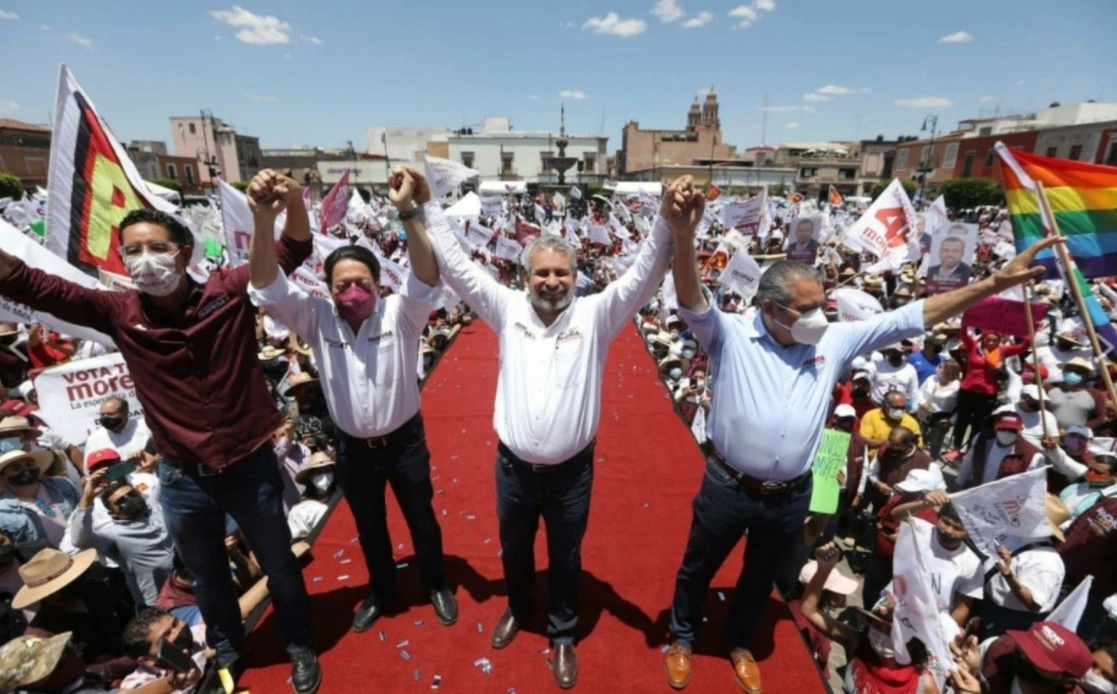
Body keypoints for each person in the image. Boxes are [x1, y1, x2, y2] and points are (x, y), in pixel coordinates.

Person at [662, 185, 1059, 693]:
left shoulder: (833, 339)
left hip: (789, 495)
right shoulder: (730, 334)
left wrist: (993, 282)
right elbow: (693, 296)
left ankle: (739, 641)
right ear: (769, 308)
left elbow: (913, 316)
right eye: (805, 309)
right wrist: (682, 231)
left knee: (761, 578)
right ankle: (682, 636)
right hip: (728, 486)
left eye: (820, 305)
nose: (818, 318)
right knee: (698, 567)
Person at [0, 169, 321, 693]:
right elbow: (30, 283)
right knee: (208, 578)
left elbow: (292, 250)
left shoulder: (230, 290)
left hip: (249, 466)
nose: (143, 260)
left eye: (156, 248)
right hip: (182, 480)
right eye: (131, 252)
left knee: (280, 563)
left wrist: (289, 203)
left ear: (185, 251)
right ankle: (227, 651)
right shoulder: (117, 312)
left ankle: (299, 641)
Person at [427, 172, 682, 689]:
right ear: (525, 278)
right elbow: (455, 266)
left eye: (561, 273)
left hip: (571, 474)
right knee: (514, 548)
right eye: (541, 273)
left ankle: (562, 632)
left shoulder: (597, 316)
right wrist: (423, 209)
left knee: (566, 556)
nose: (551, 281)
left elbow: (644, 275)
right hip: (513, 469)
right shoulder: (505, 309)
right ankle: (520, 609)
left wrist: (667, 219)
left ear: (575, 275)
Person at [250, 165, 456, 635]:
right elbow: (266, 285)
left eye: (362, 282)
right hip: (352, 449)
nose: (353, 292)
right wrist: (265, 221)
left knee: (422, 520)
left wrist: (407, 211)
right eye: (341, 285)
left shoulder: (402, 314)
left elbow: (426, 274)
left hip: (405, 444)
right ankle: (383, 592)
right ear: (326, 288)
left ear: (379, 282)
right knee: (371, 527)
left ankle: (437, 583)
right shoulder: (315, 317)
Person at [800, 543, 942, 694]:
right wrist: (824, 570)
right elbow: (809, 610)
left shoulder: (924, 683)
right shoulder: (858, 643)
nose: (882, 635)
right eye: (877, 625)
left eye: (892, 631)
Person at [67, 468, 174, 609]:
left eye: (132, 494)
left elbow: (165, 478)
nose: (130, 500)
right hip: (157, 604)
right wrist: (87, 498)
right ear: (112, 513)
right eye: (121, 501)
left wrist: (155, 461)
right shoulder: (113, 536)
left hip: (189, 587)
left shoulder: (155, 507)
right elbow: (80, 540)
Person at [949, 329, 1030, 458]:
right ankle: (956, 447)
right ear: (983, 339)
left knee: (978, 423)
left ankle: (970, 449)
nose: (991, 343)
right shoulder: (973, 347)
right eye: (988, 340)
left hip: (987, 393)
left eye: (995, 340)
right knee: (962, 420)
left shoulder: (1002, 351)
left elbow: (1023, 347)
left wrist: (1030, 333)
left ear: (999, 341)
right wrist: (966, 321)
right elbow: (964, 334)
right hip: (967, 390)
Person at [950, 621, 1091, 694]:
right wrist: (972, 671)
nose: (1023, 657)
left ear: (1067, 682)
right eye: (1024, 647)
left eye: (1038, 660)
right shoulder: (996, 650)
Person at [119, 606, 208, 693]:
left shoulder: (199, 635)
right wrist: (173, 683)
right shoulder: (143, 677)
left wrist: (204, 655)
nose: (177, 631)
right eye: (166, 635)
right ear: (147, 660)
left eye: (175, 623)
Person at [0, 448, 77, 546]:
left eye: (29, 464)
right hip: (45, 560)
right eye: (16, 468)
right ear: (3, 478)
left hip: (83, 552)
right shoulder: (2, 511)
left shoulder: (63, 485)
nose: (25, 469)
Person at [859, 390, 923, 457]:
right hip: (874, 458)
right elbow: (864, 441)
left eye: (902, 407)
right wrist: (889, 443)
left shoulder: (911, 421)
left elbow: (919, 446)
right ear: (884, 404)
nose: (899, 410)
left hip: (900, 461)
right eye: (895, 407)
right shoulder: (871, 416)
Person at [918, 360, 960, 460]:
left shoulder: (957, 387)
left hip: (941, 418)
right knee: (919, 438)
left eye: (942, 368)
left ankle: (932, 461)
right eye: (939, 366)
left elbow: (960, 407)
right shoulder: (931, 379)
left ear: (950, 371)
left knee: (935, 443)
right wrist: (923, 403)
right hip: (924, 414)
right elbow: (919, 392)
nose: (938, 369)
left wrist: (952, 421)